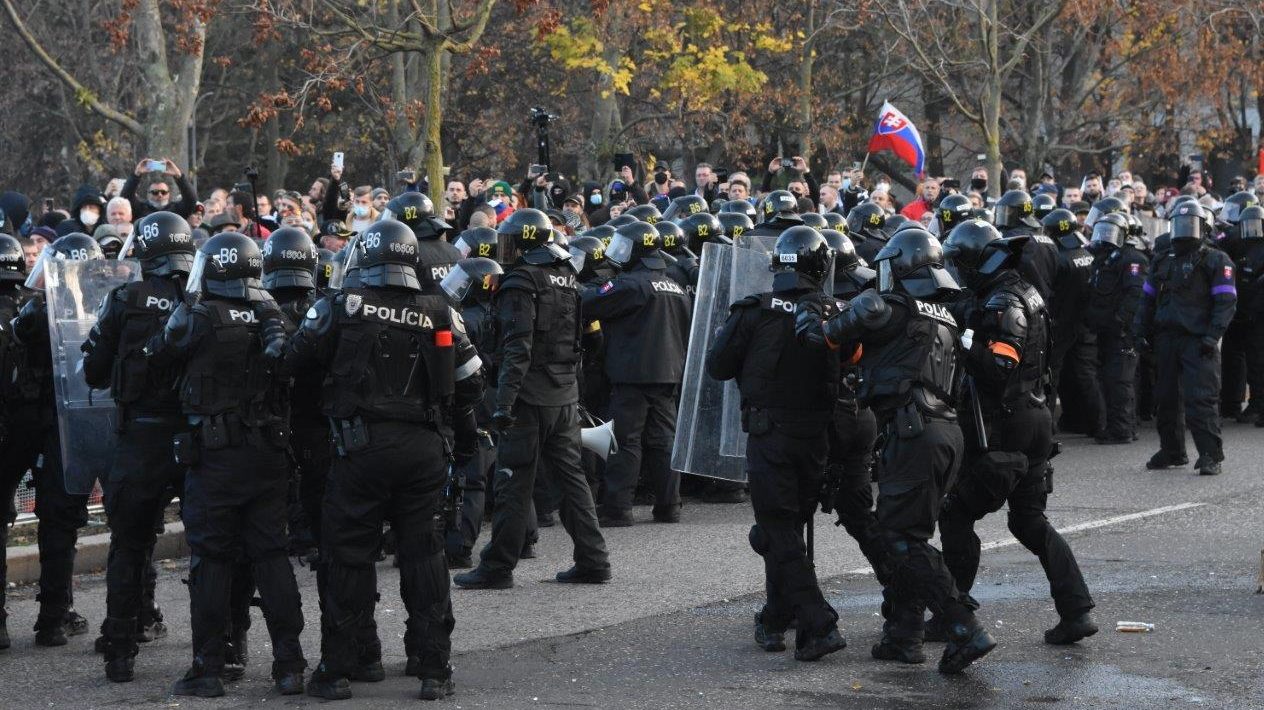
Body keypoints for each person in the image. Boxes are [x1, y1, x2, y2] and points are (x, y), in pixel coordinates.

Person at [287, 220, 482, 700]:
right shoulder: (441, 310)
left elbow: (292, 364)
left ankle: (342, 666)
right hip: (424, 450)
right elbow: (473, 381)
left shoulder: (340, 306)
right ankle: (432, 665)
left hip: (359, 449)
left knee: (349, 556)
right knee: (425, 556)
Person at [795, 228, 996, 674]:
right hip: (943, 433)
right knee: (905, 533)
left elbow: (826, 335)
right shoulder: (943, 314)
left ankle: (964, 626)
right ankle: (904, 634)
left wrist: (812, 313)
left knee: (903, 539)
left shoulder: (887, 306)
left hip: (915, 432)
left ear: (900, 266)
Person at [146, 232, 305, 697]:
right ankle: (290, 664)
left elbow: (157, 356)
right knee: (271, 555)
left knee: (213, 559)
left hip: (216, 457)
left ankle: (209, 667)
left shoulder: (198, 316)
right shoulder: (271, 315)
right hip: (268, 455)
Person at [937, 218, 1097, 647]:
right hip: (1032, 419)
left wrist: (963, 337)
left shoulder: (1006, 300)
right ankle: (1076, 610)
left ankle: (954, 609)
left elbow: (999, 369)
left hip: (1009, 426)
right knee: (1029, 522)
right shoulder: (1018, 291)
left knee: (955, 515)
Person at [706, 226, 847, 662]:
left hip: (771, 438)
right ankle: (774, 617)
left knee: (778, 530)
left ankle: (817, 622)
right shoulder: (836, 314)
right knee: (786, 532)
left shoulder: (754, 312)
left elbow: (718, 367)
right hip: (817, 440)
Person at [454, 208, 610, 589]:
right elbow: (587, 340)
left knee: (512, 480)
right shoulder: (568, 275)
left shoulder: (521, 281)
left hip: (529, 397)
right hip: (563, 393)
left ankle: (497, 567)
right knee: (571, 479)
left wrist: (504, 403)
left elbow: (517, 347)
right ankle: (594, 559)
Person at [81, 212, 197, 682]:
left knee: (129, 546)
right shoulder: (201, 298)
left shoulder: (124, 300)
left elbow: (93, 372)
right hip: (196, 440)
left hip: (141, 439)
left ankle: (121, 649)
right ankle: (222, 647)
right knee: (211, 547)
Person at [7, 234, 106, 649]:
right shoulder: (94, 310)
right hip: (62, 427)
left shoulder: (33, 307)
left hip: (20, 425)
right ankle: (53, 615)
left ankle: (46, 616)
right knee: (60, 520)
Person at [580, 221, 692, 526]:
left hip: (633, 375)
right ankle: (670, 506)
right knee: (663, 441)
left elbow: (587, 302)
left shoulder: (631, 285)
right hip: (669, 374)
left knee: (625, 441)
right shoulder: (675, 286)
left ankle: (618, 508)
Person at [1135, 202, 1236, 475]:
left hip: (1198, 340)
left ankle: (1210, 454)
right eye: (1179, 224)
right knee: (1165, 398)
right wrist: (1139, 332)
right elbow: (1147, 300)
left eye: (1190, 223)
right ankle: (1172, 450)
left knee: (1200, 399)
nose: (1184, 230)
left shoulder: (1216, 260)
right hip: (1166, 338)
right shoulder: (1162, 258)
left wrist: (1212, 336)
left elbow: (1225, 302)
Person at [1084, 211, 1148, 444]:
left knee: (1119, 380)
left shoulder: (1132, 259)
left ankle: (1122, 429)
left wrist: (1123, 322)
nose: (1105, 237)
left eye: (1110, 231)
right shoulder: (1104, 258)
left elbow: (1135, 294)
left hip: (1122, 332)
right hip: (1105, 329)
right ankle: (1119, 425)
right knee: (1109, 379)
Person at [121, 158, 198, 220]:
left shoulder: (177, 210)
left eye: (164, 192)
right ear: (148, 194)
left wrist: (179, 176)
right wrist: (136, 175)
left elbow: (191, 199)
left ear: (169, 194)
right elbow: (125, 198)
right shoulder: (139, 209)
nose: (160, 195)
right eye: (155, 192)